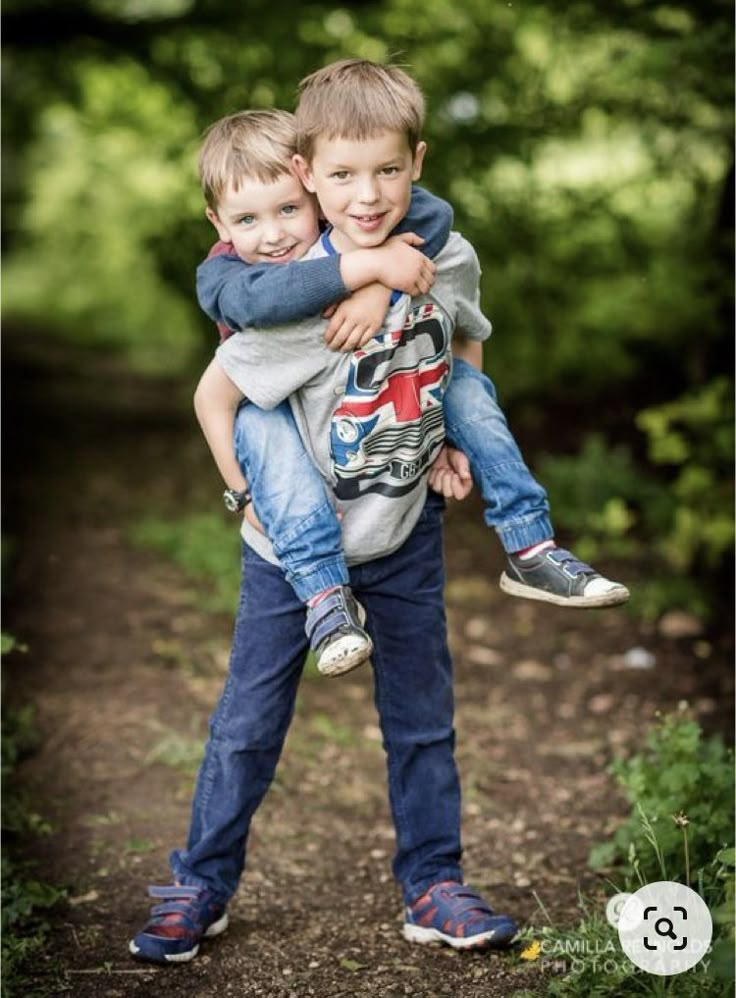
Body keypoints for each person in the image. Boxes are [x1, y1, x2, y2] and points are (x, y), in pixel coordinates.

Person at [128, 58, 617, 966]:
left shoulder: (439, 252)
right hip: (288, 558)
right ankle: (197, 884)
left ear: (416, 163)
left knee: (423, 718)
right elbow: (220, 394)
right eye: (343, 175)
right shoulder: (282, 298)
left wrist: (456, 433)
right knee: (247, 725)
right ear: (312, 173)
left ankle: (435, 886)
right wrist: (245, 496)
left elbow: (460, 329)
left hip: (400, 534)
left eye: (387, 170)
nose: (367, 193)